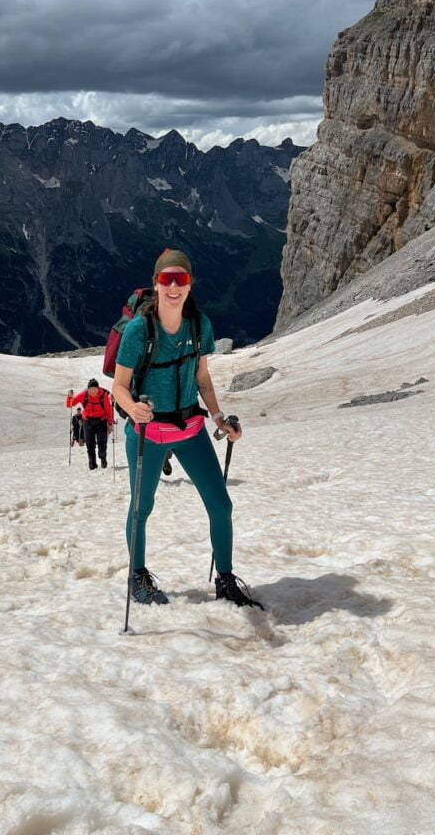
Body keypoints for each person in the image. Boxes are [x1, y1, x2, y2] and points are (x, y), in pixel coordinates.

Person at [112, 248, 264, 610]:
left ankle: (225, 580)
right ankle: (137, 577)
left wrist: (219, 419)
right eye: (167, 280)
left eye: (181, 279)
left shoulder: (200, 325)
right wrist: (132, 407)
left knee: (220, 504)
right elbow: (118, 385)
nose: (174, 286)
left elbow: (202, 376)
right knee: (141, 508)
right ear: (156, 283)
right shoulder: (138, 330)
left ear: (190, 284)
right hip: (147, 432)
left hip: (189, 428)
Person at [66, 379, 113, 470]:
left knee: (102, 442)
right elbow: (70, 404)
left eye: (95, 388)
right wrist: (69, 397)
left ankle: (102, 457)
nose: (93, 391)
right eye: (91, 389)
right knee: (89, 443)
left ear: (98, 388)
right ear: (88, 389)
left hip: (101, 421)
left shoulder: (103, 396)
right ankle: (92, 463)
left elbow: (108, 411)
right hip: (88, 421)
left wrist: (110, 424)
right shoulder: (84, 395)